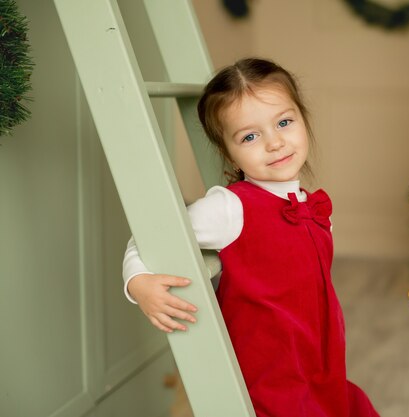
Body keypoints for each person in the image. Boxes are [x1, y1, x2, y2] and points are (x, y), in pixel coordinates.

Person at [122, 57, 380, 417]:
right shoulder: (230, 208)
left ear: (303, 120)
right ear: (229, 152)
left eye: (285, 122)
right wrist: (138, 282)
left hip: (317, 361)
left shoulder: (311, 206)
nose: (275, 143)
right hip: (268, 371)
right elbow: (153, 237)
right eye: (250, 136)